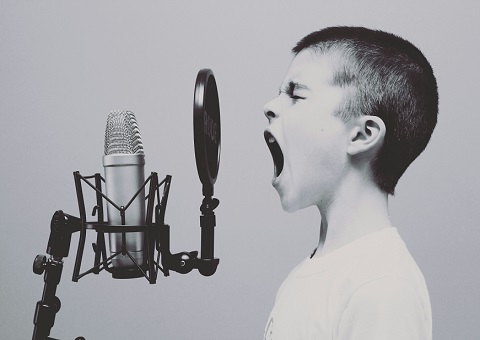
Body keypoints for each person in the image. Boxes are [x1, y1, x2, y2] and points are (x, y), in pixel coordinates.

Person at [263, 26, 438, 340]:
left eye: (296, 95)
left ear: (362, 134)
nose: (270, 106)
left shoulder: (381, 288)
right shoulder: (313, 274)